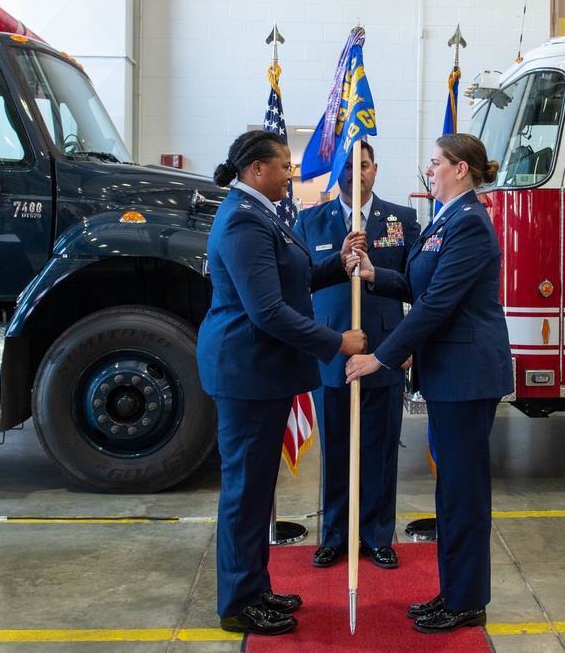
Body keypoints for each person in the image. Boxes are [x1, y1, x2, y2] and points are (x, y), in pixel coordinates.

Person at [198, 130, 367, 637]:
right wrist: (338, 343)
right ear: (256, 170)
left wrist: (336, 264)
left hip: (261, 371)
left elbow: (290, 280)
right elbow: (267, 310)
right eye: (284, 166)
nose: (290, 174)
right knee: (245, 492)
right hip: (247, 370)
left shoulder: (261, 214)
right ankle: (238, 603)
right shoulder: (243, 222)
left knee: (255, 492)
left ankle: (255, 585)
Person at [344, 133, 512, 634]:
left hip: (466, 376)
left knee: (463, 493)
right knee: (451, 491)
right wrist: (377, 274)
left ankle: (466, 601)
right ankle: (453, 592)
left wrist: (382, 358)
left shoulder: (471, 225)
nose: (429, 169)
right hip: (447, 377)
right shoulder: (446, 219)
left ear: (461, 169)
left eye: (436, 163)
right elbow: (421, 286)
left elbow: (438, 304)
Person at [294, 140, 420, 571]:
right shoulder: (311, 220)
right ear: (337, 171)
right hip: (330, 353)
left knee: (380, 449)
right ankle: (334, 534)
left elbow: (414, 286)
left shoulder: (401, 220)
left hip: (384, 352)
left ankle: (377, 535)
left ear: (375, 169)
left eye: (362, 165)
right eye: (347, 166)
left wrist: (404, 345)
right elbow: (298, 282)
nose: (355, 173)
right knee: (335, 450)